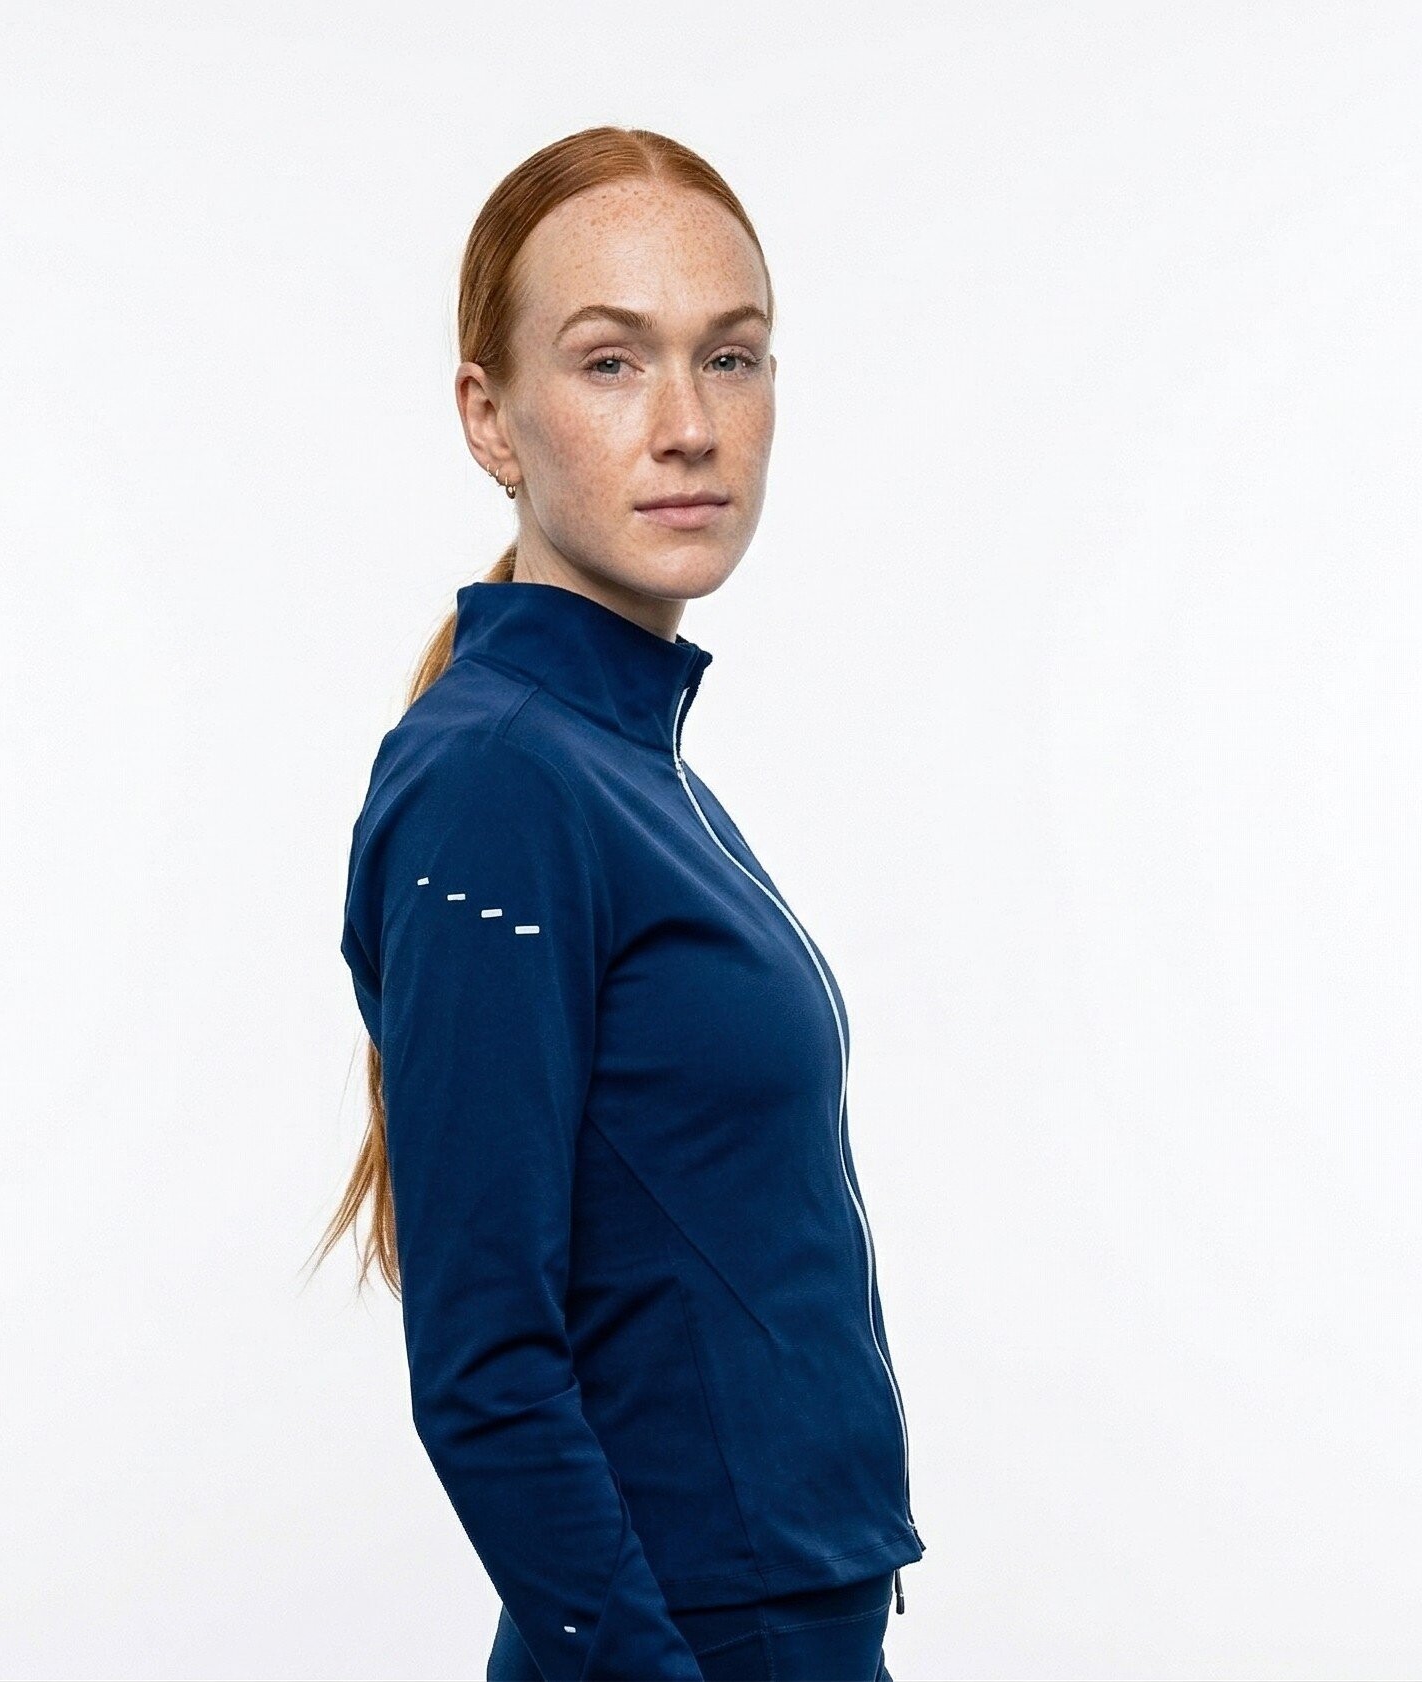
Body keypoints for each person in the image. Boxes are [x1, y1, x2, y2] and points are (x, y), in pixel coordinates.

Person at [316, 125, 924, 1682]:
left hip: (786, 1616)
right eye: (609, 362)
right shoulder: (500, 781)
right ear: (490, 417)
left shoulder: (615, 763)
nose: (689, 426)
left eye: (731, 356)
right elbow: (484, 1367)